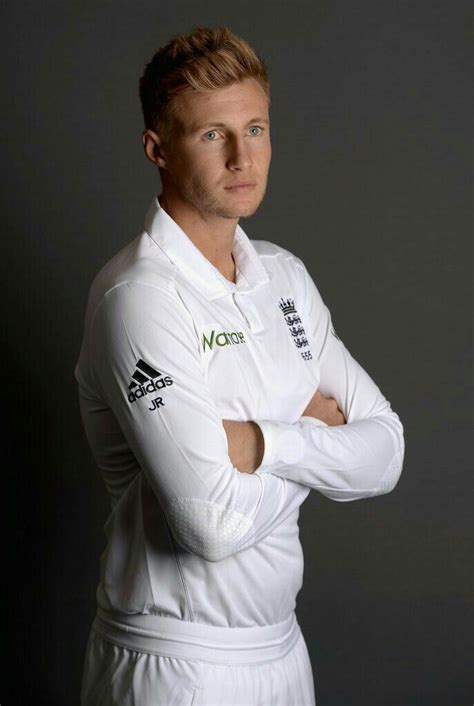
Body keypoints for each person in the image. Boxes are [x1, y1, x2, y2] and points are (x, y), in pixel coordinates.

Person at [75, 25, 405, 706]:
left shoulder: (282, 277)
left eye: (255, 129)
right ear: (157, 149)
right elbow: (210, 526)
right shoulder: (137, 297)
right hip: (176, 664)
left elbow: (387, 452)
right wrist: (317, 438)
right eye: (211, 135)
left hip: (283, 651)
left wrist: (259, 440)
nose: (241, 157)